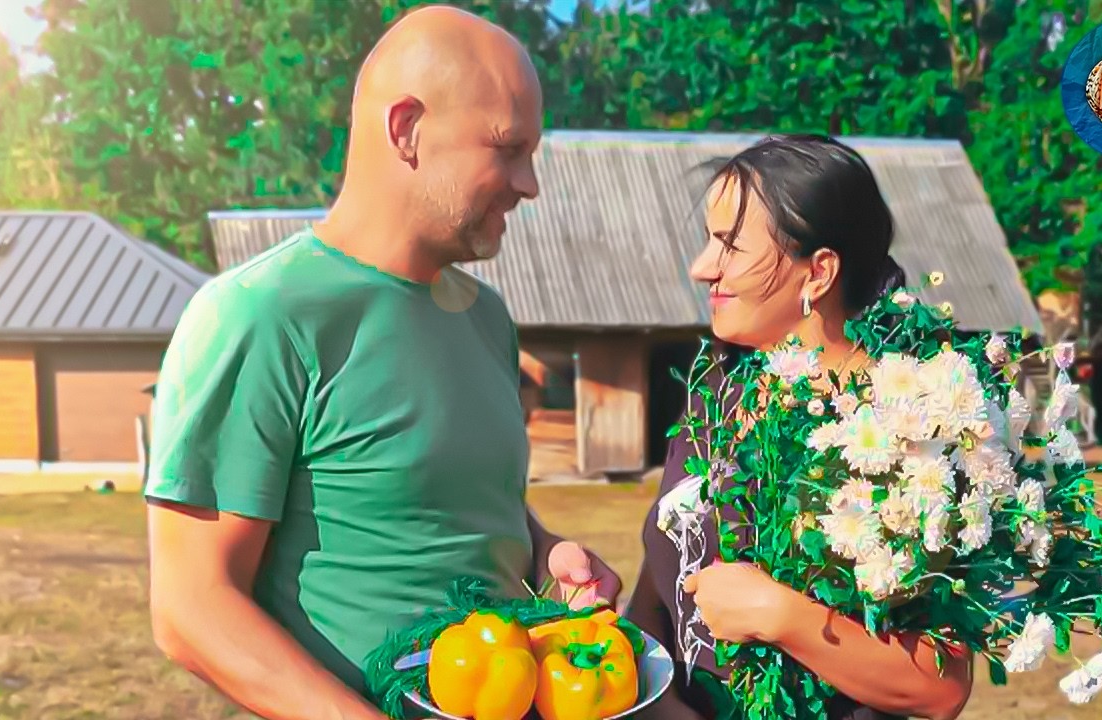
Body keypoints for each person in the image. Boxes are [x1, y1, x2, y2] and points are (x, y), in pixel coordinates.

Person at [143, 7, 619, 720]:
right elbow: (191, 609)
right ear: (407, 130)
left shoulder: (487, 318)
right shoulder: (261, 314)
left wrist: (544, 549)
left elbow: (432, 507)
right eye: (507, 147)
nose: (529, 184)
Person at [624, 135, 974, 720]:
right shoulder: (718, 389)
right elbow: (663, 583)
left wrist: (778, 614)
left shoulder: (898, 428)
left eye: (730, 246)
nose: (700, 267)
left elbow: (939, 684)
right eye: (709, 241)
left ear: (818, 273)